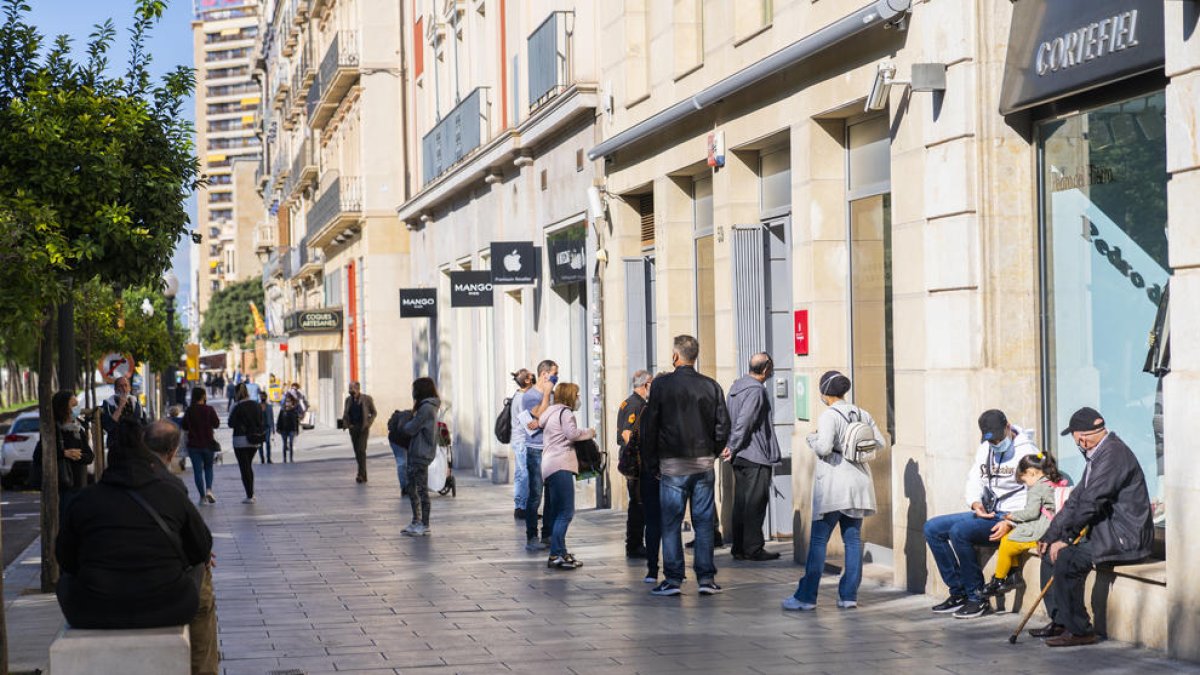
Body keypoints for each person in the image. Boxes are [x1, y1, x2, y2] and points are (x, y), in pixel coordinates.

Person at [55, 420, 214, 635]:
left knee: (66, 579)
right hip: (169, 608)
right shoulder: (171, 493)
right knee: (200, 565)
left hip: (92, 611)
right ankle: (201, 664)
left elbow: (65, 558)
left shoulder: (84, 500)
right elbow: (201, 548)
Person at [1028, 407, 1153, 647]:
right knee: (1048, 552)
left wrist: (1068, 537)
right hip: (1106, 532)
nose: (1076, 442)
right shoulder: (1100, 454)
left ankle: (1080, 630)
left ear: (1081, 437)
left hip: (1125, 539)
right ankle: (1061, 620)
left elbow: (1091, 501)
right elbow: (1077, 499)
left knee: (1067, 557)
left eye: (1074, 437)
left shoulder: (1114, 455)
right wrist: (1051, 535)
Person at [924, 409, 1039, 619]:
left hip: (1010, 517)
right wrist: (975, 502)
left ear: (1008, 427)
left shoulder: (1026, 452)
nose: (995, 443)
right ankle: (958, 592)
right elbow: (975, 479)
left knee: (960, 531)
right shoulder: (985, 448)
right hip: (988, 513)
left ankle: (977, 597)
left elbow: (1034, 494)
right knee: (932, 528)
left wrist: (1012, 523)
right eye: (991, 439)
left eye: (998, 438)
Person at [784, 371, 885, 611]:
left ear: (825, 393)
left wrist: (811, 440)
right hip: (859, 483)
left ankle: (806, 597)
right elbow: (879, 442)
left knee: (819, 541)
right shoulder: (862, 413)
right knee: (852, 541)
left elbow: (824, 447)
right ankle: (848, 596)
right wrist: (855, 449)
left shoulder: (830, 415)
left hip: (833, 485)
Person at [639, 335, 730, 597]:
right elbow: (723, 424)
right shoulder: (711, 386)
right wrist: (712, 451)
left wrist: (651, 461)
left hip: (672, 464)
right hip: (702, 463)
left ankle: (674, 578)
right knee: (703, 523)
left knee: (671, 523)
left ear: (675, 356)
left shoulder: (661, 386)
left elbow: (650, 425)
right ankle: (705, 577)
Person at [723, 353, 782, 562]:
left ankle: (739, 547)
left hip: (739, 456)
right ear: (766, 369)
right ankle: (753, 548)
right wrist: (733, 445)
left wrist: (731, 446)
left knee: (741, 503)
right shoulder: (756, 390)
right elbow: (745, 421)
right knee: (755, 503)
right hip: (754, 454)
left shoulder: (736, 387)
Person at [982, 452, 1066, 597]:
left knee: (1007, 542)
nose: (1026, 485)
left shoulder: (1038, 487)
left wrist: (1012, 516)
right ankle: (1014, 575)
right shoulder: (1050, 482)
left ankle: (999, 579)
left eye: (1025, 480)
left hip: (1043, 530)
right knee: (1010, 536)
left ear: (1032, 473)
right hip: (1052, 526)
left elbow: (1031, 513)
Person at [539, 382, 595, 569]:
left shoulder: (551, 412)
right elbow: (572, 434)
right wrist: (589, 432)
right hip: (561, 465)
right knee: (566, 512)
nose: (579, 398)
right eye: (577, 394)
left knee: (557, 512)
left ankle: (561, 552)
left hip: (549, 465)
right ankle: (555, 554)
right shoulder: (566, 413)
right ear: (570, 395)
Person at [32, 391, 95, 514]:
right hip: (60, 486)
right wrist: (64, 454)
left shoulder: (78, 428)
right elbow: (39, 455)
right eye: (73, 405)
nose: (77, 409)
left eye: (77, 405)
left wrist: (78, 455)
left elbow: (90, 456)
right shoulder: (52, 430)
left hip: (78, 486)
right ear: (63, 408)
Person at [521, 360, 558, 551]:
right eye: (554, 375)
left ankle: (548, 534)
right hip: (535, 449)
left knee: (552, 495)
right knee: (536, 494)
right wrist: (546, 395)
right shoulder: (530, 396)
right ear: (544, 375)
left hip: (551, 448)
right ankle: (531, 536)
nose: (555, 379)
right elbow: (538, 416)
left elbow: (545, 419)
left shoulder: (551, 395)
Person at [617, 371, 652, 559]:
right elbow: (627, 434)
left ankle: (636, 542)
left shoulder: (632, 402)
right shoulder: (636, 405)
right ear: (646, 384)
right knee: (638, 504)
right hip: (636, 463)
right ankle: (635, 544)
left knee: (639, 503)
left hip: (635, 461)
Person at [400, 378, 441, 536]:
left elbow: (411, 428)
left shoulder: (426, 409)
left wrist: (404, 424)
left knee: (420, 489)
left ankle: (424, 523)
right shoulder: (427, 407)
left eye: (414, 389)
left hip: (421, 453)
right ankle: (416, 520)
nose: (413, 392)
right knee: (412, 488)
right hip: (418, 452)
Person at [181, 387, 220, 505]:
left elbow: (184, 426)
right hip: (208, 444)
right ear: (203, 396)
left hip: (194, 445)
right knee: (208, 467)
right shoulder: (209, 409)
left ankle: (202, 497)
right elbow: (216, 424)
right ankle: (209, 489)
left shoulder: (189, 410)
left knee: (197, 471)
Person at [228, 383, 265, 504]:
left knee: (244, 468)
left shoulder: (236, 405)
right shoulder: (256, 404)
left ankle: (250, 495)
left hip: (240, 440)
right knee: (248, 466)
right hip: (254, 439)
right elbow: (261, 421)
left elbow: (231, 423)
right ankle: (251, 493)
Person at [100, 376, 147, 457]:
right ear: (115, 389)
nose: (124, 388)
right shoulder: (108, 404)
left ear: (129, 388)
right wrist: (120, 406)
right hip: (116, 445)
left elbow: (143, 423)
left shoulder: (136, 403)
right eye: (121, 386)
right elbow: (108, 426)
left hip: (134, 445)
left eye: (126, 385)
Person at [509, 369, 534, 520]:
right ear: (527, 381)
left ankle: (519, 506)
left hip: (517, 439)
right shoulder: (524, 398)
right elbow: (528, 422)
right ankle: (523, 507)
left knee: (520, 473)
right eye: (532, 376)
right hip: (523, 440)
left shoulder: (517, 395)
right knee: (525, 474)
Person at [341, 381, 377, 483]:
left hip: (363, 428)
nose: (349, 390)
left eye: (351, 388)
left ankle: (360, 474)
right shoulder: (348, 400)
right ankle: (363, 475)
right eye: (349, 388)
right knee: (357, 452)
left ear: (357, 389)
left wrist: (368, 423)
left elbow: (374, 412)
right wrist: (347, 424)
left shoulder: (366, 399)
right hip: (353, 428)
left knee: (361, 450)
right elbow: (346, 413)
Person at [277, 397, 300, 463]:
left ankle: (291, 458)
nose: (288, 403)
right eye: (287, 401)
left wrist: (297, 430)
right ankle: (284, 458)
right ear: (285, 403)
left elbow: (296, 421)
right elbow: (279, 420)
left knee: (291, 444)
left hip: (292, 430)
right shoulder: (282, 411)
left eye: (289, 401)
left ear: (291, 403)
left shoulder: (294, 411)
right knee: (284, 444)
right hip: (284, 430)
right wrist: (278, 428)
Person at [257, 390, 275, 464]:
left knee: (268, 443)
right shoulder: (257, 406)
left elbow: (271, 418)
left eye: (263, 396)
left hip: (267, 427)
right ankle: (262, 459)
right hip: (259, 428)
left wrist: (273, 428)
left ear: (266, 397)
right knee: (260, 444)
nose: (262, 397)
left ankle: (268, 458)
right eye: (261, 396)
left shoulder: (269, 407)